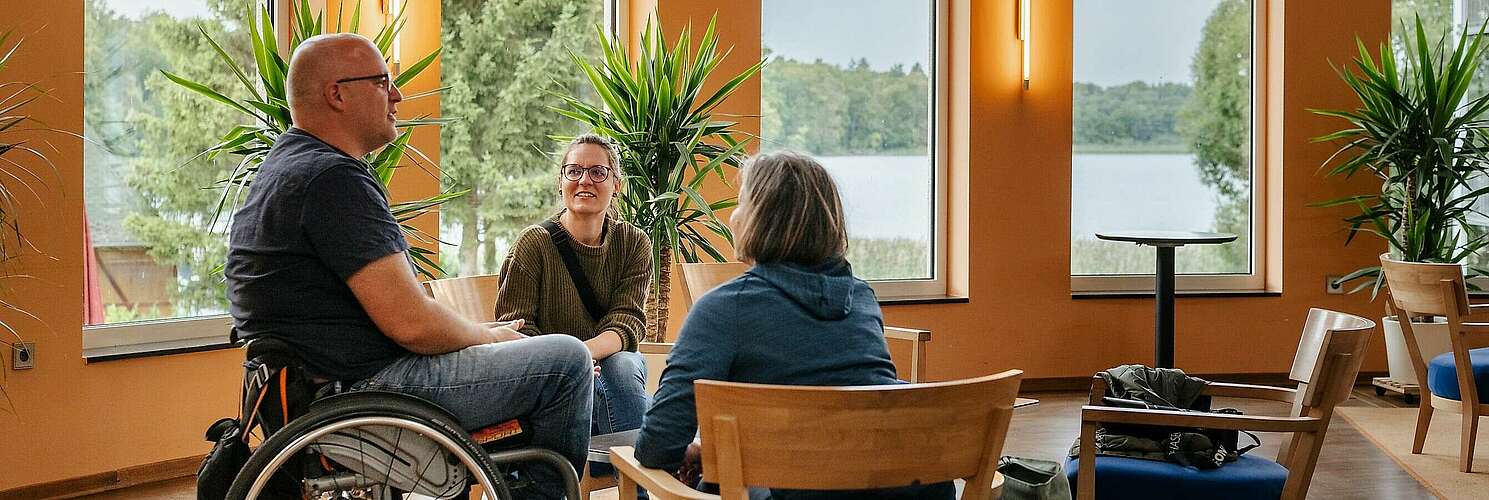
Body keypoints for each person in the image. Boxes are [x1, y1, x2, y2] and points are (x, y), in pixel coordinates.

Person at [224, 33, 591, 500]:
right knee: (566, 362)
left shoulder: (284, 168)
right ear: (337, 94)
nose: (397, 96)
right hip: (365, 389)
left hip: (318, 384)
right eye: (382, 82)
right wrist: (490, 337)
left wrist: (479, 333)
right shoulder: (332, 179)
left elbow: (395, 314)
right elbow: (412, 325)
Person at [632, 152, 954, 499]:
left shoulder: (724, 308)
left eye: (741, 203)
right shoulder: (861, 297)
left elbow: (658, 445)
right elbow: (841, 420)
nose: (732, 216)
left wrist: (706, 455)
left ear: (761, 219)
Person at [495, 134, 653, 446]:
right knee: (604, 391)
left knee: (623, 367)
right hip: (549, 371)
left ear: (616, 185)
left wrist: (581, 354)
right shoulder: (533, 243)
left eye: (598, 172)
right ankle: (636, 470)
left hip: (609, 361)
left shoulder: (633, 243)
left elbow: (626, 322)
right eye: (574, 171)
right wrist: (569, 365)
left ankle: (628, 469)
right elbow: (517, 329)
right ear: (561, 182)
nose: (584, 180)